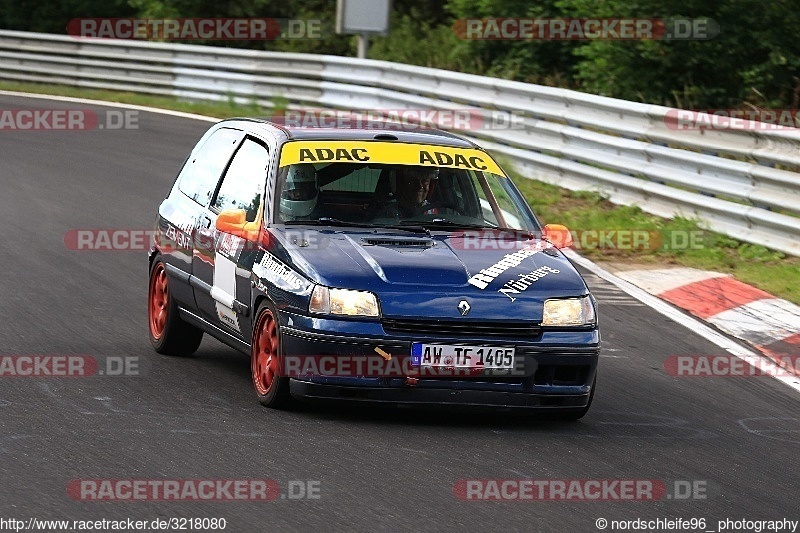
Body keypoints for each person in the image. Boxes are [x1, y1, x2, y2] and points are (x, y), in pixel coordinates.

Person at [372, 165, 439, 219]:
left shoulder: (437, 215)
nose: (420, 186)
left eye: (424, 181)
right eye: (413, 181)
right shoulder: (387, 215)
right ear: (401, 184)